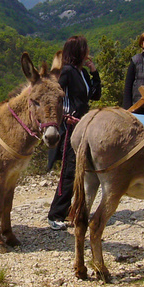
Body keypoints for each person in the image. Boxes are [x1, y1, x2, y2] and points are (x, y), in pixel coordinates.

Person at [48, 35, 101, 230]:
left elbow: (95, 95)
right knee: (69, 170)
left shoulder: (83, 73)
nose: (88, 52)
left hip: (83, 125)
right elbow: (54, 95)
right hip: (70, 127)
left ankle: (74, 209)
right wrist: (63, 116)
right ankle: (55, 214)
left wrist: (94, 72)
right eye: (85, 48)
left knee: (82, 169)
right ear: (79, 51)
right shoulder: (67, 71)